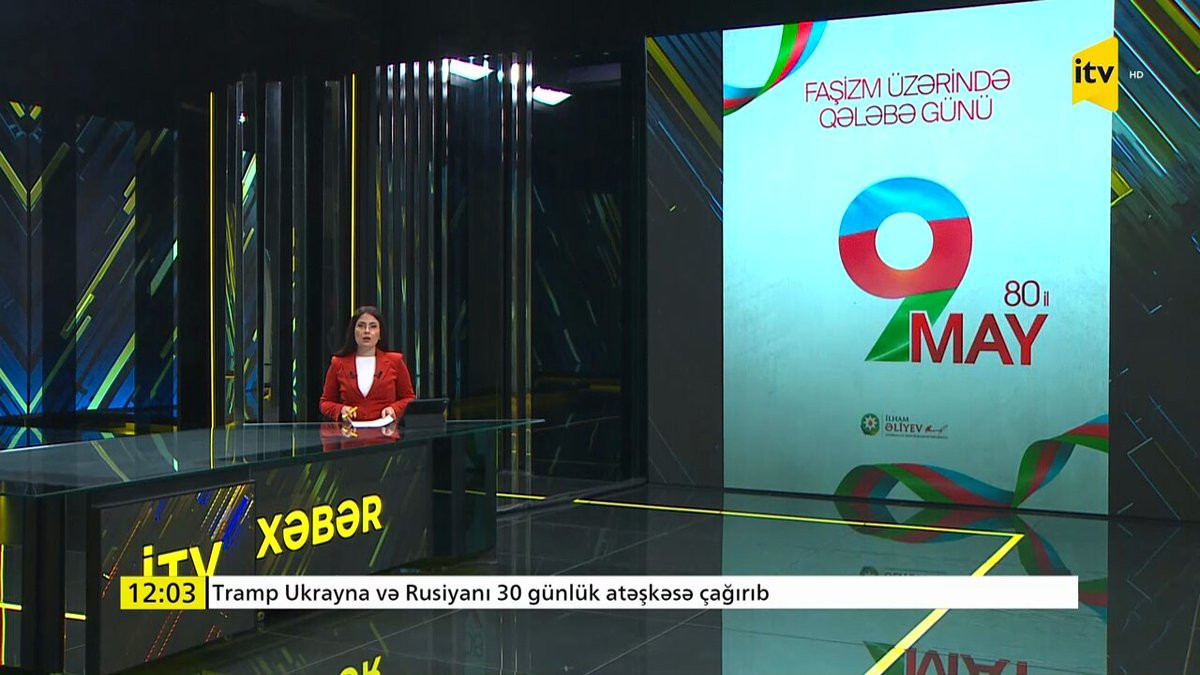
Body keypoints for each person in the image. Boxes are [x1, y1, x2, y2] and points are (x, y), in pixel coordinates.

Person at [319, 306, 416, 423]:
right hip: (350, 432)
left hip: (386, 431)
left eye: (373, 326)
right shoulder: (338, 363)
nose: (367, 331)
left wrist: (394, 409)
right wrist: (341, 410)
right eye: (361, 326)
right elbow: (325, 403)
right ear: (353, 331)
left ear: (380, 333)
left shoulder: (395, 361)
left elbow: (409, 398)